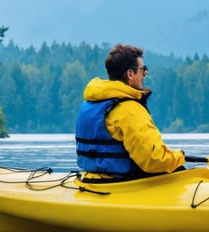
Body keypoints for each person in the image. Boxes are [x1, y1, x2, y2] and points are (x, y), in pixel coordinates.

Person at [75, 43, 185, 179]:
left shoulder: (92, 103)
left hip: (92, 178)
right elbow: (154, 160)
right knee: (179, 170)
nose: (145, 73)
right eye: (143, 69)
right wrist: (180, 156)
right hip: (123, 184)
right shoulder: (129, 110)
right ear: (130, 74)